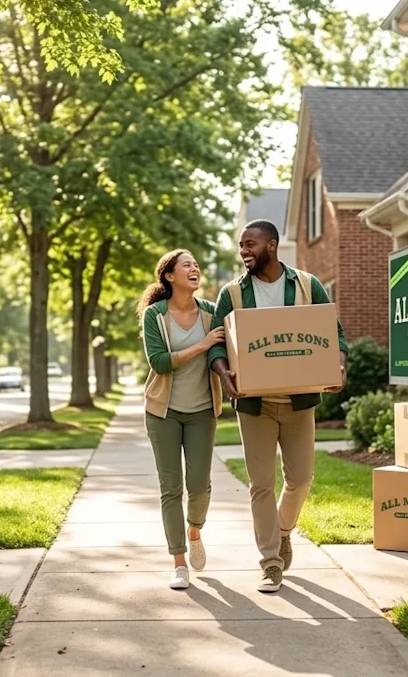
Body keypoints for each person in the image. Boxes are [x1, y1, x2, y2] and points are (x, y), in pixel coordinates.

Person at [208, 220, 347, 593]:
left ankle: (283, 531)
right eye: (241, 246)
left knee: (301, 479)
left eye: (250, 244)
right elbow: (217, 343)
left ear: (272, 245)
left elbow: (332, 332)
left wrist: (340, 365)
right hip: (255, 405)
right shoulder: (232, 293)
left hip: (299, 401)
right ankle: (270, 561)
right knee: (261, 484)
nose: (244, 252)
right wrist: (224, 374)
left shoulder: (306, 285)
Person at [139, 249, 224, 590]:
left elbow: (227, 352)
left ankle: (194, 530)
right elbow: (159, 362)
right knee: (170, 488)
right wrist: (202, 346)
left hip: (203, 410)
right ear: (170, 276)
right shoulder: (154, 315)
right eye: (186, 264)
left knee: (200, 486)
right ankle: (178, 562)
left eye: (196, 264)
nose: (195, 268)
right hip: (164, 412)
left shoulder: (212, 313)